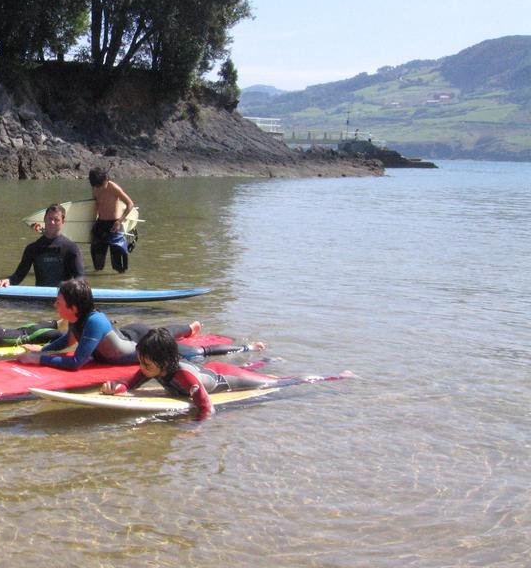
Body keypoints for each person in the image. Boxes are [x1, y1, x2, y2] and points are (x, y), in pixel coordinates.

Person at [102, 328, 351, 420]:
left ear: (164, 361)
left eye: (146, 364)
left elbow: (206, 406)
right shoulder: (152, 367)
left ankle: (338, 375)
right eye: (141, 363)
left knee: (278, 383)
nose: (142, 368)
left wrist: (194, 427)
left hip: (226, 381)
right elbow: (132, 382)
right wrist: (118, 389)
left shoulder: (184, 378)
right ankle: (265, 360)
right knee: (246, 369)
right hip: (210, 371)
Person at [17, 279, 263, 370]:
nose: (54, 306)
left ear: (73, 307)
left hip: (140, 350)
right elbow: (67, 341)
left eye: (58, 302)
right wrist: (45, 350)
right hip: (127, 336)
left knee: (198, 353)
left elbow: (76, 363)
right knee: (162, 332)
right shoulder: (77, 319)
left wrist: (41, 360)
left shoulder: (93, 322)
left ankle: (248, 348)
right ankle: (188, 328)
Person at [0, 203, 85, 288]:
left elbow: (80, 277)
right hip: (40, 298)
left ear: (63, 222)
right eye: (50, 218)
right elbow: (18, 276)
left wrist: (66, 287)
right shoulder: (33, 248)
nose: (52, 222)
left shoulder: (71, 248)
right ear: (44, 219)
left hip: (63, 299)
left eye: (56, 220)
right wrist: (8, 280)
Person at [89, 167, 135, 272]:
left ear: (105, 179)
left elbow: (130, 204)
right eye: (97, 186)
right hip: (100, 224)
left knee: (119, 260)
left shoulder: (113, 187)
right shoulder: (95, 188)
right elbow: (96, 205)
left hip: (115, 224)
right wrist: (93, 222)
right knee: (97, 262)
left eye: (101, 185)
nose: (99, 188)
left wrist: (119, 221)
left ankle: (121, 281)